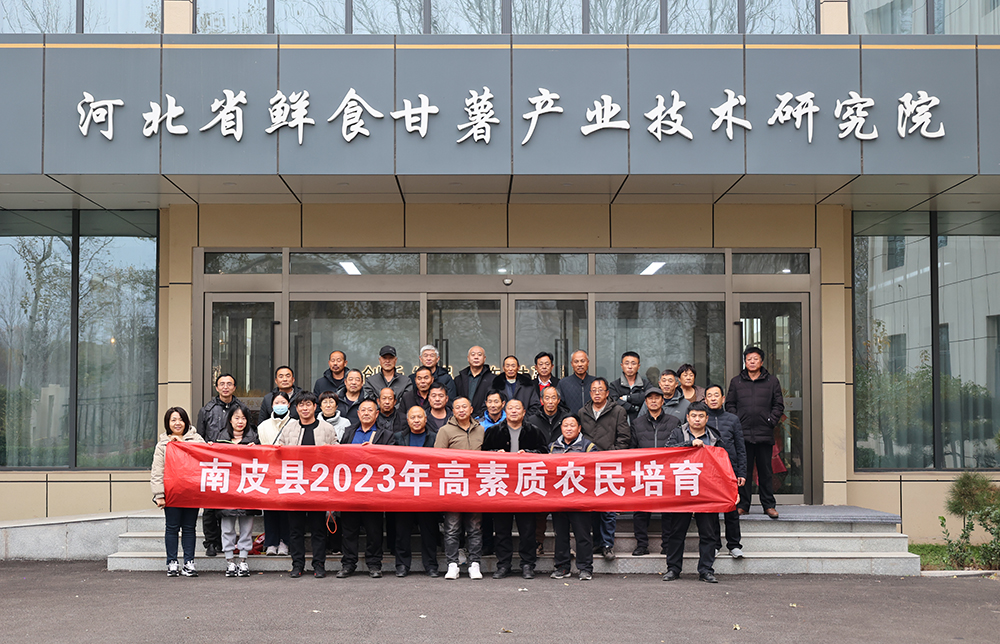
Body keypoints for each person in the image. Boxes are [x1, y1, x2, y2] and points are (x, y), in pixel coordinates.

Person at [482, 399, 547, 580]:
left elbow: (545, 454)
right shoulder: (493, 431)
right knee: (502, 529)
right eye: (510, 408)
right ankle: (503, 564)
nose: (513, 411)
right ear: (505, 410)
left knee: (527, 529)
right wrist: (495, 454)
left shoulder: (534, 432)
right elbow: (482, 455)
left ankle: (527, 564)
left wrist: (529, 455)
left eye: (517, 408)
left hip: (526, 487)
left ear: (524, 412)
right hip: (501, 487)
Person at [278, 392, 338, 578]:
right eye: (301, 405)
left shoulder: (326, 428)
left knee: (318, 528)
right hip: (295, 484)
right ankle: (297, 564)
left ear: (315, 407)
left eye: (308, 404)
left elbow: (337, 453)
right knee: (295, 529)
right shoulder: (289, 428)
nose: (304, 408)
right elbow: (277, 452)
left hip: (318, 485)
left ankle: (319, 564)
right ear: (296, 408)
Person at [663, 402, 722, 583]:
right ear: (687, 417)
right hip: (683, 488)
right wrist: (689, 444)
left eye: (701, 416)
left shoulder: (714, 436)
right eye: (694, 416)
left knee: (708, 533)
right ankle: (673, 569)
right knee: (677, 531)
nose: (697, 419)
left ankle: (706, 570)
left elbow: (724, 462)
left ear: (707, 418)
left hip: (707, 491)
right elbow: (667, 452)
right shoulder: (677, 433)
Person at [338, 399, 396, 579]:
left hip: (374, 491)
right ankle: (348, 564)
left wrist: (375, 451)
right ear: (358, 413)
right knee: (349, 530)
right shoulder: (349, 432)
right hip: (350, 490)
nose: (366, 413)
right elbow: (339, 456)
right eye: (363, 410)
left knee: (374, 531)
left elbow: (393, 459)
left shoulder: (386, 434)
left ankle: (374, 564)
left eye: (370, 410)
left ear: (377, 413)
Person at [726, 346, 784, 519]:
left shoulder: (772, 381)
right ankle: (743, 505)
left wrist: (770, 421)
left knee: (765, 471)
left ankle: (769, 505)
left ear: (761, 361)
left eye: (755, 359)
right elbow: (730, 404)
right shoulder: (736, 382)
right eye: (749, 359)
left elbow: (778, 405)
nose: (752, 362)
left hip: (764, 433)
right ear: (745, 361)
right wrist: (737, 422)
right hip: (742, 434)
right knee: (743, 471)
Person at [579, 377, 630, 562]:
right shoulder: (583, 412)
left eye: (601, 390)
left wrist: (611, 454)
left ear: (607, 393)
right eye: (594, 390)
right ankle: (597, 542)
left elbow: (624, 438)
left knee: (608, 508)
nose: (597, 393)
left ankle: (608, 544)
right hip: (589, 466)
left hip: (609, 464)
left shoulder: (618, 411)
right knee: (592, 506)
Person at [433, 397, 485, 580]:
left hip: (476, 486)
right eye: (457, 407)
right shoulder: (445, 430)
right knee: (452, 527)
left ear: (471, 409)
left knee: (475, 527)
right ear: (452, 411)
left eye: (464, 407)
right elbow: (437, 458)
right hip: (453, 484)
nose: (461, 410)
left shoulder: (481, 429)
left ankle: (474, 564)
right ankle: (452, 564)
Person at [151, 406, 205, 578]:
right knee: (172, 528)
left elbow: (205, 457)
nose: (177, 423)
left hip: (191, 492)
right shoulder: (162, 445)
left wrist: (181, 444)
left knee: (189, 528)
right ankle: (172, 562)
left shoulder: (197, 439)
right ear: (167, 423)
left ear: (186, 421)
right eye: (173, 420)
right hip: (171, 493)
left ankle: (189, 562)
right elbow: (157, 471)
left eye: (181, 419)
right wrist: (159, 495)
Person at [629, 387, 681, 556]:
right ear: (645, 402)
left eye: (657, 398)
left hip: (667, 472)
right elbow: (632, 448)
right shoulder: (637, 423)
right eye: (650, 398)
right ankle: (641, 545)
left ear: (662, 401)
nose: (653, 401)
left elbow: (678, 447)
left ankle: (667, 545)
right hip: (644, 472)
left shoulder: (674, 421)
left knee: (668, 511)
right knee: (641, 511)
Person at [195, 373, 242, 558]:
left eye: (229, 384)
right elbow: (199, 438)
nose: (225, 387)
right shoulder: (206, 410)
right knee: (209, 507)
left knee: (229, 505)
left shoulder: (241, 408)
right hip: (211, 463)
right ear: (216, 387)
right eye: (222, 384)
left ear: (234, 387)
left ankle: (226, 541)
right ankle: (211, 542)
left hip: (234, 465)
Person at [392, 406, 441, 577]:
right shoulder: (398, 437)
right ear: (407, 420)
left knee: (429, 531)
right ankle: (402, 565)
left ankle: (431, 565)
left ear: (426, 419)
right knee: (402, 532)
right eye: (413, 417)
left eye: (419, 417)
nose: (416, 420)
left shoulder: (435, 437)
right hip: (404, 492)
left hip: (427, 492)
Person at [548, 414, 595, 581]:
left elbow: (593, 471)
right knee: (560, 535)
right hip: (559, 499)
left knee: (583, 535)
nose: (568, 428)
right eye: (565, 425)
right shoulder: (552, 447)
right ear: (561, 428)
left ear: (579, 428)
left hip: (580, 498)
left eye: (572, 425)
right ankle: (562, 567)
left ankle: (585, 568)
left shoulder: (589, 447)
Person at [705, 383, 748, 559]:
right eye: (709, 395)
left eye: (716, 395)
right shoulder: (702, 418)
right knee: (712, 511)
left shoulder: (732, 419)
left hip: (730, 471)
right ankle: (715, 544)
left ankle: (734, 545)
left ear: (723, 399)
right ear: (705, 400)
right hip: (709, 472)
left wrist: (742, 472)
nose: (713, 398)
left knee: (731, 509)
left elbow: (741, 447)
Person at [527, 385, 570, 556]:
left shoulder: (567, 418)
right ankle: (538, 542)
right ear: (541, 400)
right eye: (547, 398)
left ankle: (564, 547)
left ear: (558, 400)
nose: (550, 401)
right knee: (539, 511)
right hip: (539, 471)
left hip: (562, 472)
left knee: (562, 511)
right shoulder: (532, 420)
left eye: (553, 398)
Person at [216, 404, 258, 578]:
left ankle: (243, 560)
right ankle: (229, 561)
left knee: (246, 527)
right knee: (227, 527)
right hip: (227, 489)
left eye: (243, 418)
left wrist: (256, 450)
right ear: (230, 420)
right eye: (236, 418)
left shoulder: (254, 439)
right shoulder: (220, 439)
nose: (240, 421)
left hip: (248, 488)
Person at [256, 391, 292, 557]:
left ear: (289, 404)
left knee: (285, 509)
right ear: (271, 406)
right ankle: (271, 542)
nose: (280, 405)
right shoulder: (263, 426)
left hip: (288, 471)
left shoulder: (295, 423)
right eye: (277, 403)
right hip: (268, 471)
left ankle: (285, 542)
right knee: (269, 509)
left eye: (283, 402)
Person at [609, 351, 651, 424]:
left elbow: (649, 397)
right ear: (622, 366)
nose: (630, 367)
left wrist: (627, 398)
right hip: (620, 424)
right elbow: (614, 401)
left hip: (643, 424)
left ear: (638, 366)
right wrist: (633, 408)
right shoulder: (614, 385)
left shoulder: (645, 384)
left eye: (633, 363)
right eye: (626, 363)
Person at [454, 345, 493, 417]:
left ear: (484, 358)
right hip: (462, 418)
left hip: (484, 419)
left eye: (479, 355)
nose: (476, 357)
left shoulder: (493, 379)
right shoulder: (459, 379)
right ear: (468, 358)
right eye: (473, 355)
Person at [556, 350, 596, 417]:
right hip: (571, 422)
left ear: (588, 362)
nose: (580, 364)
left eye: (582, 361)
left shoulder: (595, 382)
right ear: (572, 364)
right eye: (576, 362)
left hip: (593, 422)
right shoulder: (563, 383)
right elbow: (559, 406)